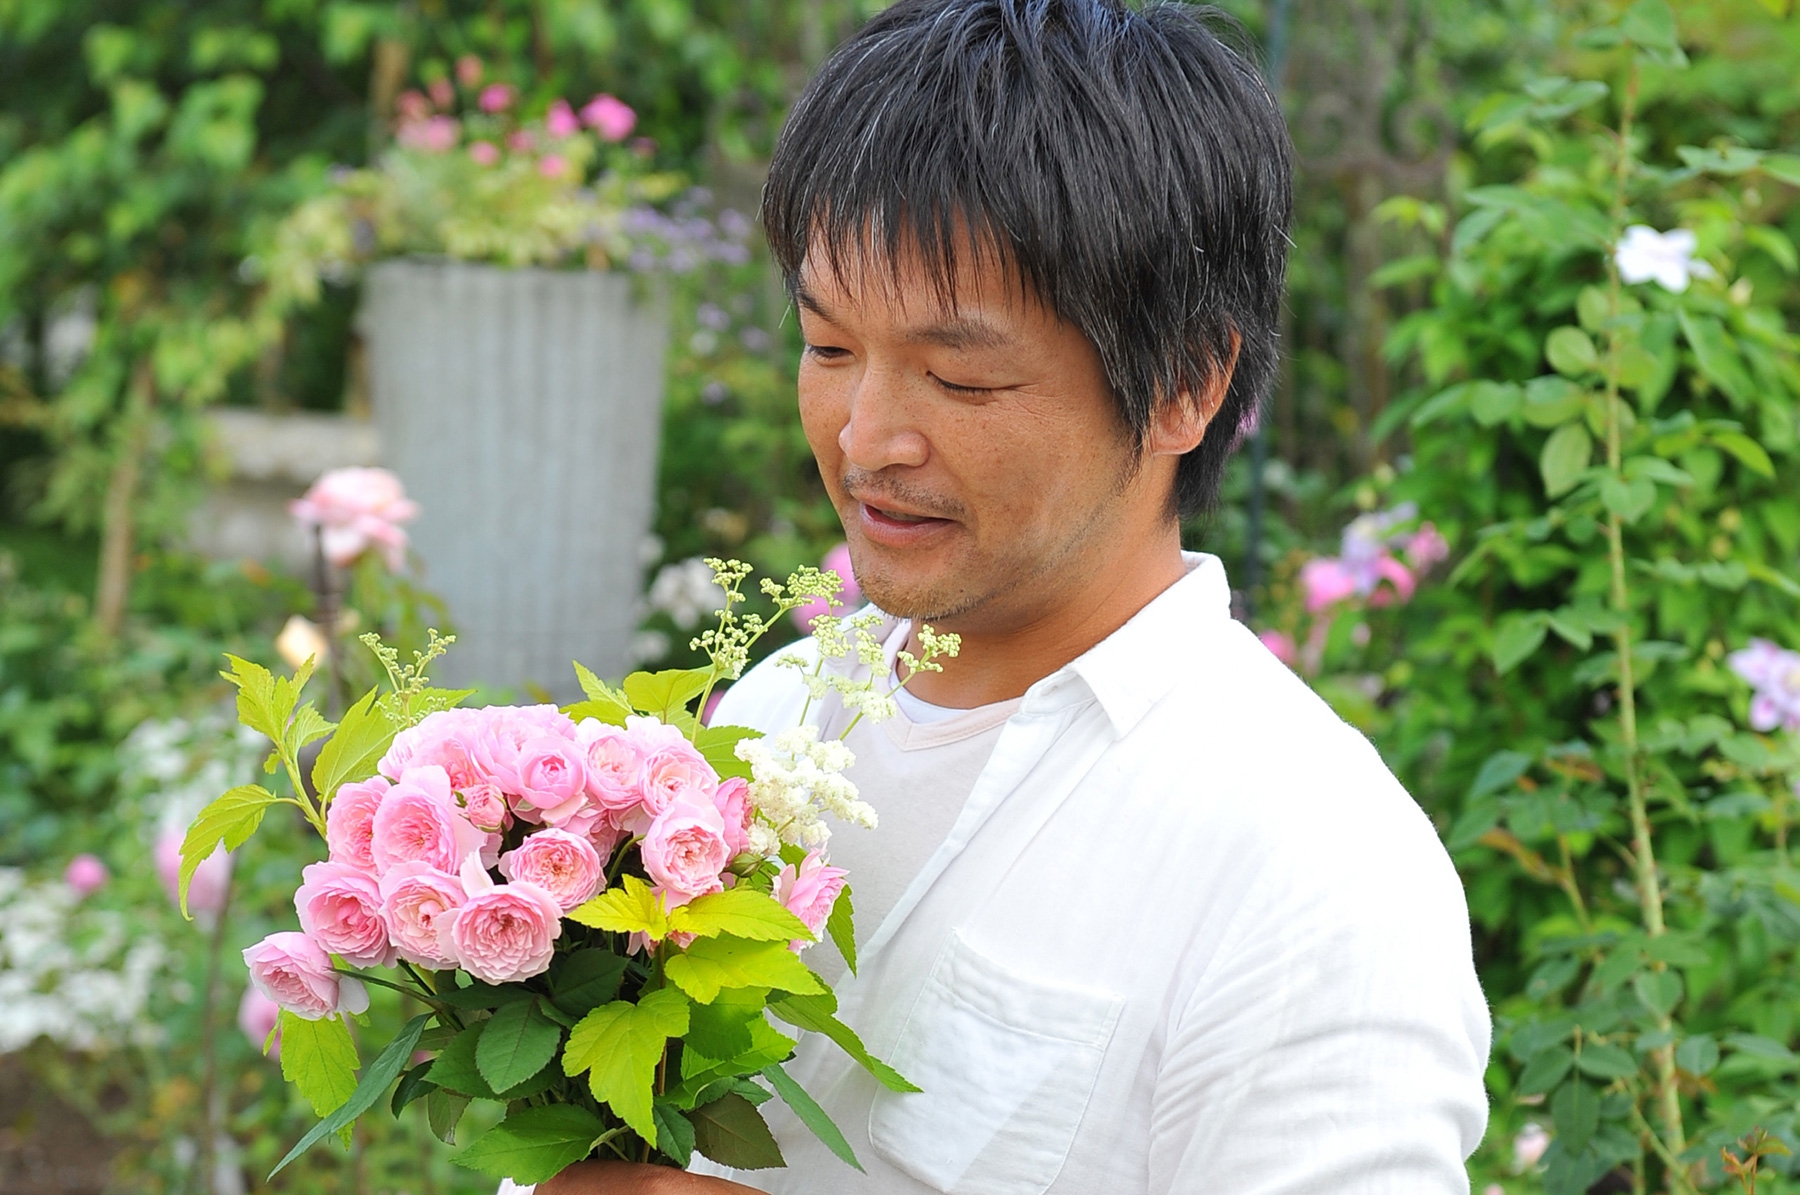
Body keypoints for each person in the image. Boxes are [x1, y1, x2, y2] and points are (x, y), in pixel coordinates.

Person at [541, 0, 1491, 1191]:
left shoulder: (1312, 864)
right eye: (829, 348)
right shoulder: (773, 721)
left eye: (961, 377)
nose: (867, 437)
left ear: (1189, 385)